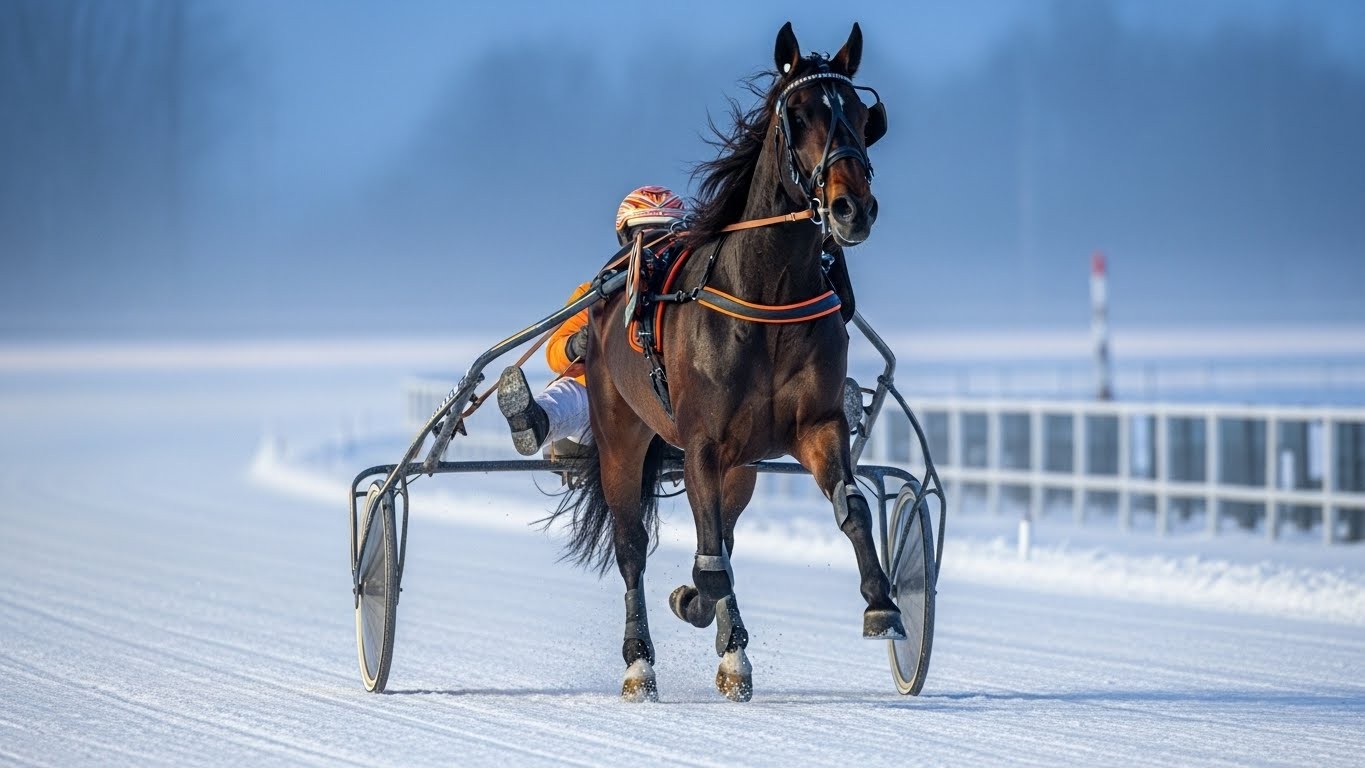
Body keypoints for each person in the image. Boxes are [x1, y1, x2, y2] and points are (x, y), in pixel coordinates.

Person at [498, 186, 688, 456]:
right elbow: (554, 355)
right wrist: (576, 345)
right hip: (605, 407)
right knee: (572, 394)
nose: (654, 244)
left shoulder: (691, 298)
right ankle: (536, 421)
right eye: (643, 235)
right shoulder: (595, 295)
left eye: (664, 234)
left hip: (674, 412)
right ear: (626, 239)